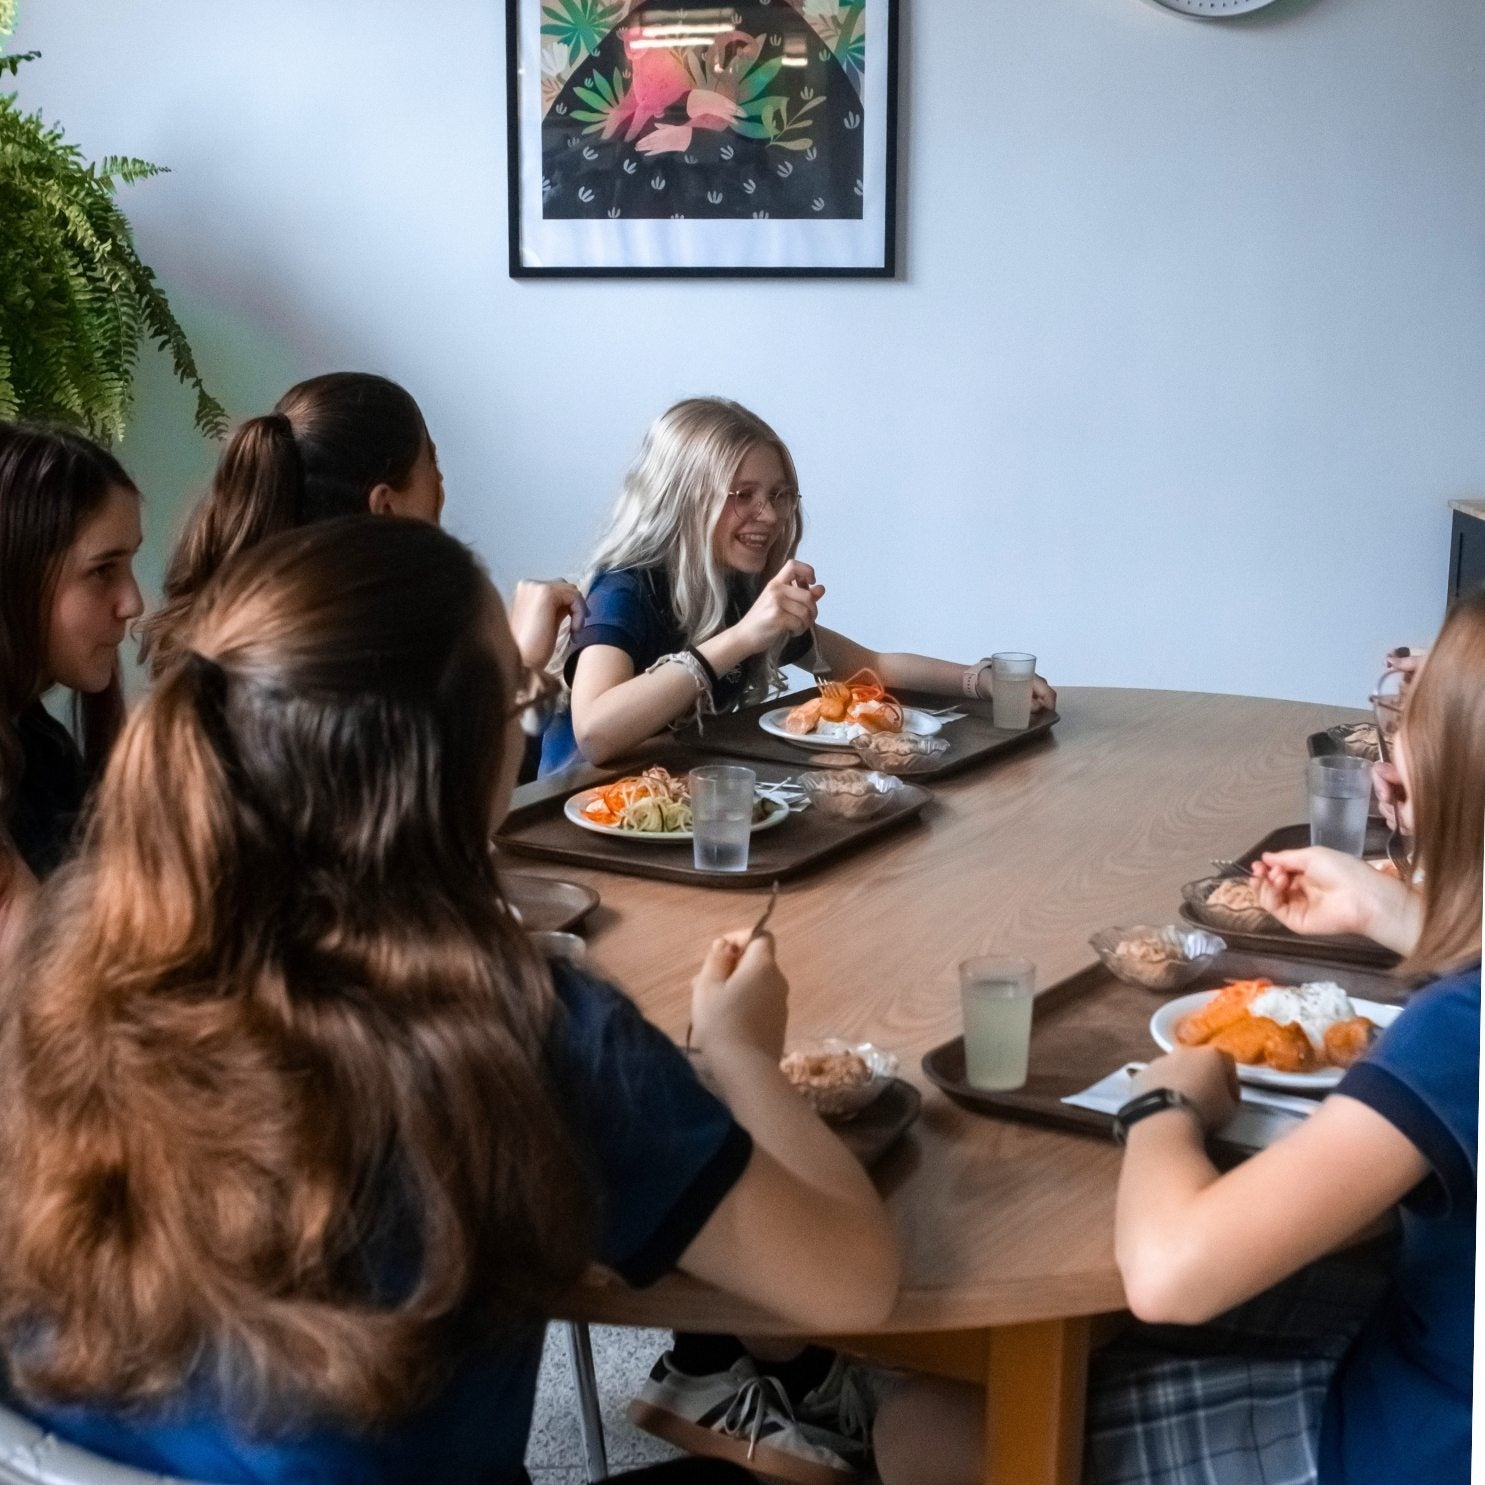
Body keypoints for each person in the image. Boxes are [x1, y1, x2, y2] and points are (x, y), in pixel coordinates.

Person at [0, 516, 899, 1485]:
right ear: (465, 757)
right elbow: (851, 1280)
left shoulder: (66, 971)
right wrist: (743, 1053)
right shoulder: (524, 1030)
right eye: (518, 697)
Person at [873, 594, 1481, 1485]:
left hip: (1412, 1438)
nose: (1385, 752)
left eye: (1407, 725)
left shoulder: (1455, 1035)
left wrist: (1163, 1101)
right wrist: (1391, 910)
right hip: (1440, 1332)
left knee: (922, 1425)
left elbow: (1169, 1273)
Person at [540, 398, 1054, 775]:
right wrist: (742, 638)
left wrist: (981, 680)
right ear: (682, 499)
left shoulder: (740, 589)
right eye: (744, 495)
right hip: (574, 810)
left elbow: (873, 667)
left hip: (683, 799)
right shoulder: (625, 588)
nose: (769, 515)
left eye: (780, 495)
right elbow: (596, 734)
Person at [139, 371, 582, 681]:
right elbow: (442, 771)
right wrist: (519, 665)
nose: (442, 486)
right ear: (385, 507)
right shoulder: (356, 665)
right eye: (432, 465)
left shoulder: (256, 635)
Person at [0, 423, 144, 937]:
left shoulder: (44, 750)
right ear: (15, 575)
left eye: (130, 564)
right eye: (103, 570)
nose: (133, 603)